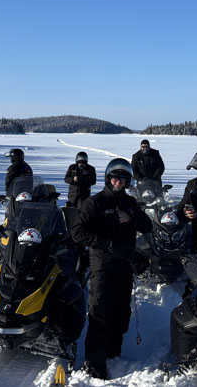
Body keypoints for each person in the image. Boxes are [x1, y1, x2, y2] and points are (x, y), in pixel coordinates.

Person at [70, 158, 152, 380]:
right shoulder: (94, 203)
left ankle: (113, 354)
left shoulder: (130, 203)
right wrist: (103, 242)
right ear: (108, 179)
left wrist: (131, 217)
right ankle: (95, 365)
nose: (119, 182)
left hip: (124, 264)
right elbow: (77, 232)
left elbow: (148, 225)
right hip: (102, 264)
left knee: (121, 313)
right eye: (115, 178)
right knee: (100, 313)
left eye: (123, 179)